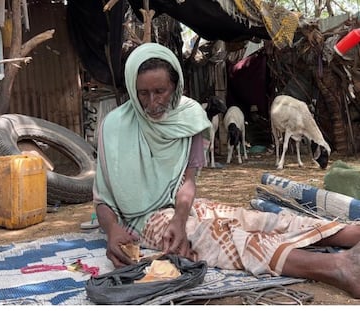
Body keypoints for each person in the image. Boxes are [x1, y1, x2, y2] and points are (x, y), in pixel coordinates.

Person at [92, 42, 360, 298]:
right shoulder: (114, 128)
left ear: (175, 86)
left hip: (183, 204)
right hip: (143, 220)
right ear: (132, 88)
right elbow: (103, 199)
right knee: (214, 236)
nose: (151, 103)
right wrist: (113, 229)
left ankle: (351, 234)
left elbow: (188, 181)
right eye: (143, 93)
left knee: (253, 219)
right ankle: (336, 267)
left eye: (160, 91)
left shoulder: (189, 117)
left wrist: (180, 217)